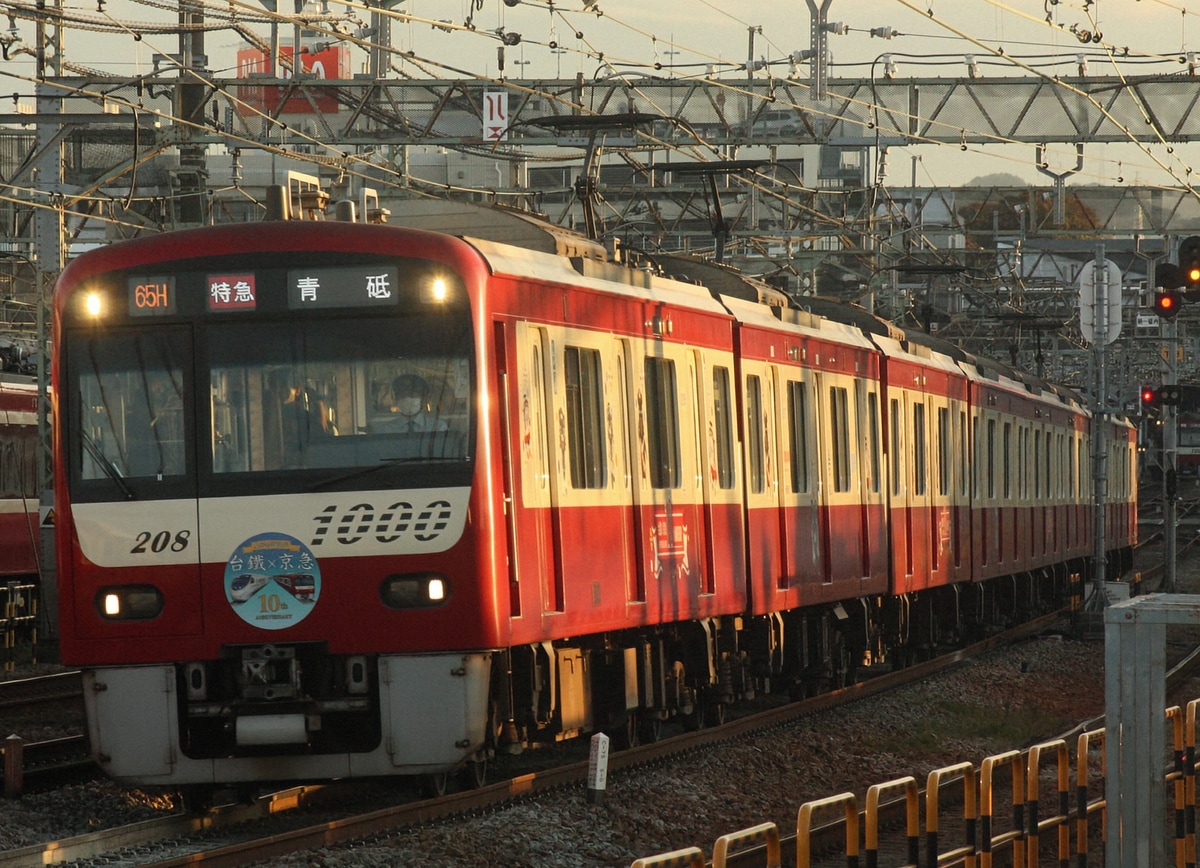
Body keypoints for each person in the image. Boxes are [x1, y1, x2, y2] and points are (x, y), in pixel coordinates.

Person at [378, 373, 447, 433]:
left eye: (414, 395)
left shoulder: (438, 427)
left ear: (424, 398)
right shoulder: (386, 430)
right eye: (403, 395)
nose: (408, 398)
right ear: (396, 398)